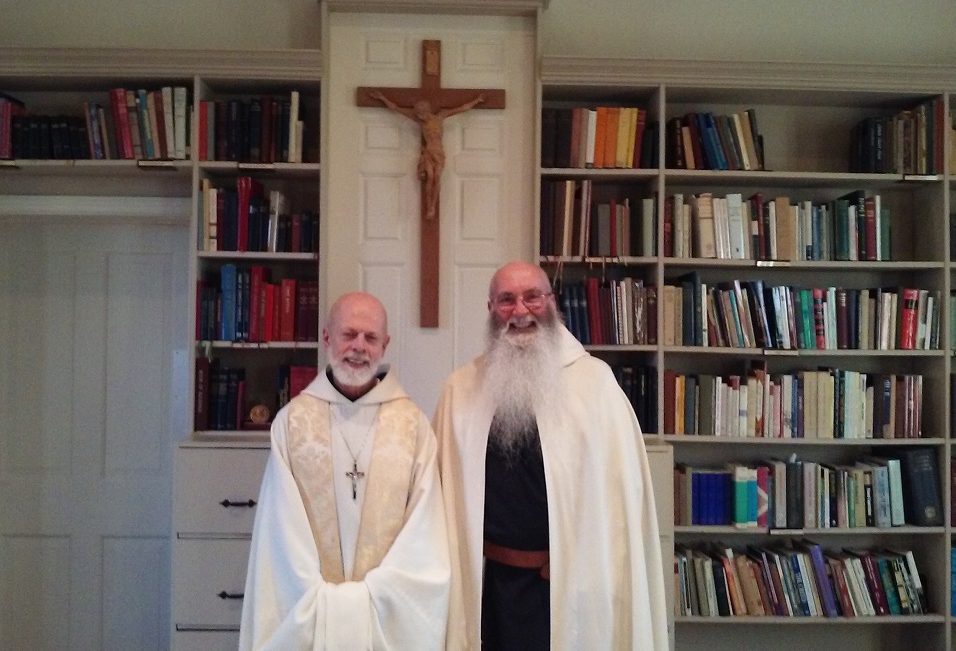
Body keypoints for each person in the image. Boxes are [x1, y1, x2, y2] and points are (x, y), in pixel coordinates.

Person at [432, 261, 669, 650]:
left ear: (552, 303)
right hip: (487, 586)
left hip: (568, 588)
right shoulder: (461, 391)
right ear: (490, 308)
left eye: (532, 297)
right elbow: (441, 501)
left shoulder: (596, 386)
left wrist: (585, 561)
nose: (520, 311)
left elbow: (619, 504)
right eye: (506, 300)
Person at [239, 291, 450, 650]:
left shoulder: (412, 426)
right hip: (308, 611)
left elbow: (425, 530)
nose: (359, 347)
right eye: (348, 334)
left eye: (370, 338)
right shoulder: (293, 422)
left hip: (388, 614)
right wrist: (322, 602)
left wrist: (375, 598)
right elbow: (280, 531)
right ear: (327, 338)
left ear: (385, 345)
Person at [370, 90, 485, 221]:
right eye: (417, 113)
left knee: (437, 176)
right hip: (429, 151)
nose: (419, 115)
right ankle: (430, 207)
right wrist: (382, 98)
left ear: (427, 109)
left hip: (439, 152)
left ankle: (433, 206)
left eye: (421, 112)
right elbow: (396, 109)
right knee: (430, 177)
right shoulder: (420, 122)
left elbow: (462, 108)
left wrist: (477, 101)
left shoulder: (440, 117)